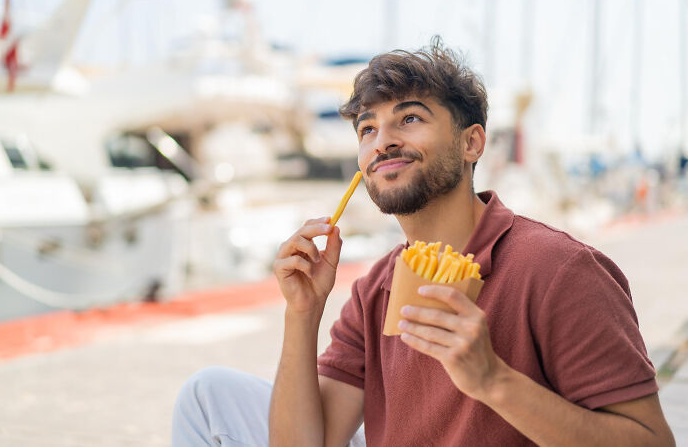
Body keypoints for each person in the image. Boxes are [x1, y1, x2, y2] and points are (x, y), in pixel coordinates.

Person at [171, 38, 675, 446]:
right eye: (368, 129)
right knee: (207, 393)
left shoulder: (558, 269)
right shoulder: (376, 289)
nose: (382, 140)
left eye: (409, 119)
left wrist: (492, 381)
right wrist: (301, 314)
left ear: (471, 142)